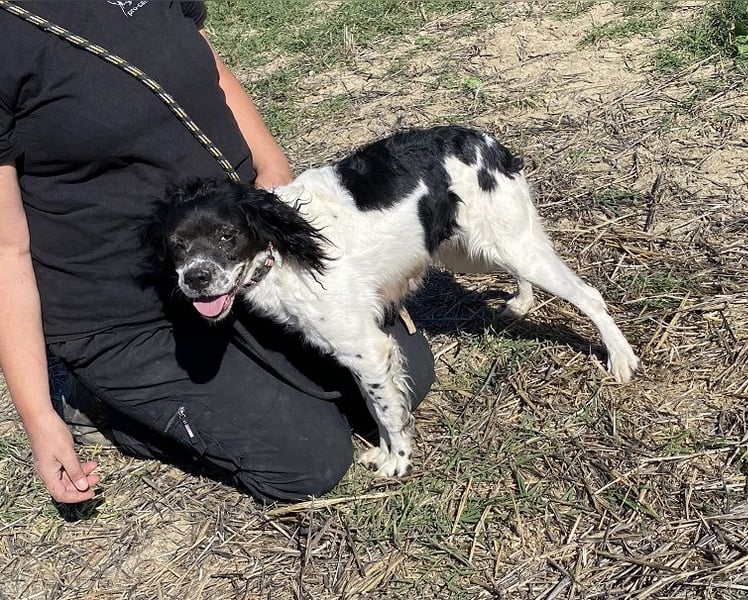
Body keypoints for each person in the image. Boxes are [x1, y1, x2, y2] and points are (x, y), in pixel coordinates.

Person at [0, 1, 434, 504]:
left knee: (402, 375)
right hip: (126, 313)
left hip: (236, 261)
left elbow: (207, 64)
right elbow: (7, 252)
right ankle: (102, 408)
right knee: (309, 460)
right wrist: (39, 418)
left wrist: (273, 175)